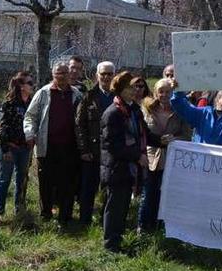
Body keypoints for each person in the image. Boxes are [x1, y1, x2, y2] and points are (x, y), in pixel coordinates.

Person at [24, 62, 84, 226]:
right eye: (59, 73)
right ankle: (46, 214)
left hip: (70, 147)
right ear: (53, 75)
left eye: (65, 73)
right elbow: (30, 116)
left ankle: (65, 216)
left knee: (68, 182)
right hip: (47, 146)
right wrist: (30, 133)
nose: (62, 76)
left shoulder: (77, 94)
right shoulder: (43, 93)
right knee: (46, 182)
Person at [101, 72, 150, 251]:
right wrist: (137, 156)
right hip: (116, 168)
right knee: (114, 207)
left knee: (122, 207)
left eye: (136, 87)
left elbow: (144, 133)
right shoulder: (113, 113)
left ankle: (117, 241)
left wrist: (161, 141)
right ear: (121, 90)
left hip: (128, 168)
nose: (135, 90)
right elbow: (112, 145)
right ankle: (110, 246)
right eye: (130, 87)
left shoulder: (133, 110)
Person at [138, 78, 191, 232]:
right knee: (148, 193)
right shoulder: (146, 109)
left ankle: (162, 227)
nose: (164, 95)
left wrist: (175, 139)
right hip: (150, 157)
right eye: (161, 91)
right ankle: (143, 226)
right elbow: (141, 133)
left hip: (172, 158)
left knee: (166, 194)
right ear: (155, 93)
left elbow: (187, 135)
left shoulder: (180, 111)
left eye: (168, 91)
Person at [75, 61, 115, 225]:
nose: (106, 77)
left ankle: (105, 221)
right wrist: (84, 149)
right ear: (97, 76)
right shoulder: (88, 96)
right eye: (103, 74)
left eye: (109, 74)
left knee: (109, 189)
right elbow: (79, 124)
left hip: (112, 152)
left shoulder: (119, 96)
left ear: (114, 75)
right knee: (88, 188)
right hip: (92, 150)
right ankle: (84, 221)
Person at [0, 72, 35, 222]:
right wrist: (5, 149)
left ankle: (20, 209)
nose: (32, 86)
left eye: (32, 83)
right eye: (29, 83)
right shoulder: (9, 104)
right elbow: (0, 127)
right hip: (10, 147)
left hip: (25, 148)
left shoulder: (32, 103)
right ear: (21, 86)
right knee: (4, 179)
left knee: (22, 179)